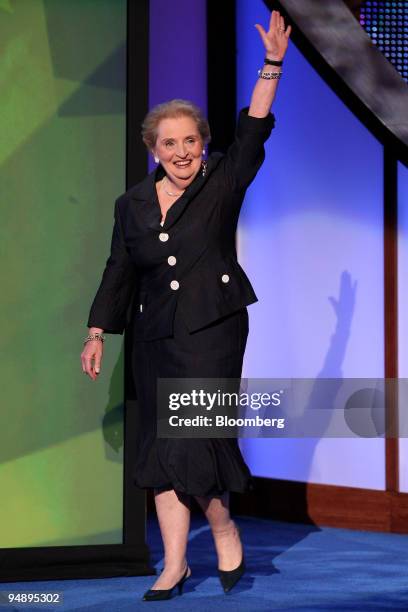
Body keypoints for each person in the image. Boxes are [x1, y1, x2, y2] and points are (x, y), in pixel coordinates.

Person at [81, 10, 291, 601]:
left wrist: (272, 64)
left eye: (190, 141)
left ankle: (222, 524)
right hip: (156, 336)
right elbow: (119, 268)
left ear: (202, 144)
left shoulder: (222, 179)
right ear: (153, 149)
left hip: (216, 325)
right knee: (157, 446)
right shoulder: (132, 204)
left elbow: (252, 128)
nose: (180, 152)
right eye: (168, 143)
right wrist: (97, 329)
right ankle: (174, 563)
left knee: (195, 437)